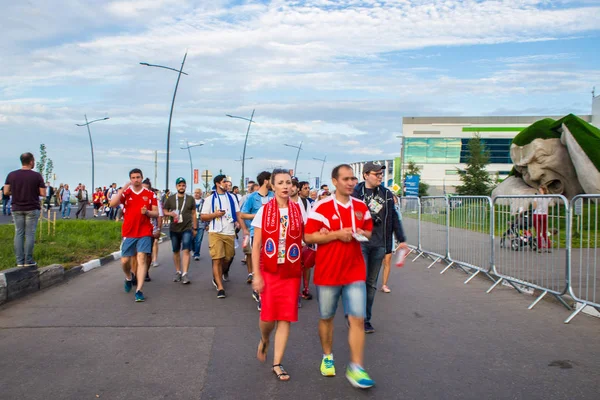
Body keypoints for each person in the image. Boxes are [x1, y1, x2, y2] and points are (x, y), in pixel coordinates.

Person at [304, 164, 375, 389]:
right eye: (346, 179)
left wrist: (362, 233)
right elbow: (308, 237)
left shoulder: (361, 206)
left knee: (357, 318)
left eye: (353, 178)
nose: (351, 182)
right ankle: (327, 356)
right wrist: (335, 235)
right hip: (328, 272)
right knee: (327, 317)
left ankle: (356, 367)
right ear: (334, 181)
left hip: (354, 270)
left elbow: (368, 230)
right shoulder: (321, 206)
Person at [251, 169, 303, 381]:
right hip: (269, 269)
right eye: (280, 182)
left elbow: (306, 236)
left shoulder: (299, 210)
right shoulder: (264, 211)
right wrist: (257, 275)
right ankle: (264, 339)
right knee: (267, 316)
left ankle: (277, 363)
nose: (285, 186)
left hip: (291, 269)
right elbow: (256, 246)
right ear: (272, 186)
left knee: (285, 318)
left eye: (288, 182)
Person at [352, 161, 407, 333]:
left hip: (379, 244)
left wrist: (401, 239)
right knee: (359, 282)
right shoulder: (355, 193)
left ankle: (365, 319)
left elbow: (394, 218)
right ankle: (355, 316)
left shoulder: (387, 194)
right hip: (359, 244)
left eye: (381, 174)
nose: (380, 177)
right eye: (376, 174)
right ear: (366, 175)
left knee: (370, 284)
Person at [109, 168, 159, 302]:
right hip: (129, 231)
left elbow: (156, 213)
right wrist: (124, 188)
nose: (136, 180)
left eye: (138, 177)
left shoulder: (150, 194)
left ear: (142, 178)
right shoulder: (127, 193)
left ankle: (139, 290)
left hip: (144, 231)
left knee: (141, 258)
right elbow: (112, 204)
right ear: (130, 179)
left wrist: (147, 213)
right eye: (133, 178)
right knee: (125, 261)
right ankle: (128, 277)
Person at [201, 174, 248, 298]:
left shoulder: (232, 197)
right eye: (224, 181)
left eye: (227, 181)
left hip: (229, 231)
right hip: (215, 232)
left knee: (228, 257)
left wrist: (244, 229)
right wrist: (215, 214)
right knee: (217, 258)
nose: (226, 183)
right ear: (217, 184)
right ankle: (220, 287)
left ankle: (222, 272)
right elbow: (203, 216)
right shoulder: (210, 199)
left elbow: (238, 214)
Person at [3, 152, 46, 268]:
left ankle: (19, 261)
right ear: (31, 161)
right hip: (32, 208)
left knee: (19, 233)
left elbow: (5, 192)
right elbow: (43, 193)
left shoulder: (11, 175)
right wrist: (32, 191)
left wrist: (16, 192)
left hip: (17, 208)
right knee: (30, 234)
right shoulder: (37, 176)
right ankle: (29, 260)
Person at [241, 171, 274, 308]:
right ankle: (259, 292)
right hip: (257, 233)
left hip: (273, 234)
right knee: (259, 262)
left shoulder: (274, 196)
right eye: (272, 180)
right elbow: (243, 214)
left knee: (269, 264)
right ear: (266, 181)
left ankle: (267, 290)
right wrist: (258, 214)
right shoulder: (252, 197)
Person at [163, 177, 197, 284]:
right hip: (174, 228)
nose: (181, 187)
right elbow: (164, 210)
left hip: (187, 228)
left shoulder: (190, 199)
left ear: (185, 186)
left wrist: (195, 227)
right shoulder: (171, 199)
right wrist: (170, 213)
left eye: (183, 185)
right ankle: (178, 271)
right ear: (176, 186)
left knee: (186, 250)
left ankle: (185, 274)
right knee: (176, 251)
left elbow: (194, 213)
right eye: (179, 185)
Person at [290, 178, 313, 301]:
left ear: (297, 189)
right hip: (287, 241)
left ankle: (305, 288)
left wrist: (308, 238)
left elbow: (308, 221)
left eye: (293, 186)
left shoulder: (304, 203)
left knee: (306, 264)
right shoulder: (283, 202)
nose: (291, 188)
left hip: (302, 239)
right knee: (293, 267)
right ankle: (294, 291)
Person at [533, 185, 551, 252]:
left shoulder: (537, 196)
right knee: (544, 232)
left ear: (540, 190)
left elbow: (535, 206)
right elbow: (547, 206)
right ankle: (548, 246)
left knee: (538, 232)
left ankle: (539, 247)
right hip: (544, 214)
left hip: (537, 214)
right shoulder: (548, 197)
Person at [192, 188, 207, 261]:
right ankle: (194, 249)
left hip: (201, 222)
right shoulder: (191, 201)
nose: (196, 194)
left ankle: (196, 254)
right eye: (195, 192)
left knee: (198, 240)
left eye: (198, 193)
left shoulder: (204, 202)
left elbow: (207, 213)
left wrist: (207, 224)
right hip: (191, 223)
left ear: (201, 194)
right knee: (191, 239)